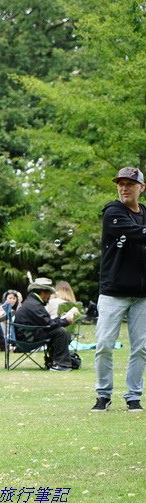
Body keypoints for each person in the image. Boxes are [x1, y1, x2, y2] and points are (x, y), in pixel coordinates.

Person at [92, 166, 146, 413]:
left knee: (141, 348)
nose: (124, 188)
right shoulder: (112, 211)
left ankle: (133, 396)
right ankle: (103, 395)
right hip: (113, 291)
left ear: (141, 188)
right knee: (104, 344)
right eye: (121, 184)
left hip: (142, 294)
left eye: (130, 184)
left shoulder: (145, 213)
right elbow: (135, 234)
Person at [14, 278, 75, 372]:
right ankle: (62, 365)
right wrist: (65, 321)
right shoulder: (34, 305)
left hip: (29, 335)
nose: (50, 297)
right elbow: (48, 324)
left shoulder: (32, 302)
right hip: (28, 338)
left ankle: (57, 362)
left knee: (59, 331)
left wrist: (61, 319)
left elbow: (45, 322)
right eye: (49, 294)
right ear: (42, 293)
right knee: (60, 331)